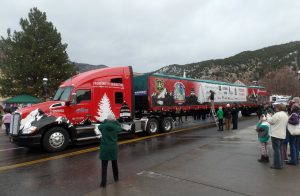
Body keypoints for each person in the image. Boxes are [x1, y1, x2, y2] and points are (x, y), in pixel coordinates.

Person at [98, 114, 122, 188]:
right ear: (113, 120)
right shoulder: (115, 127)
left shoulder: (103, 126)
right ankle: (116, 178)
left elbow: (99, 126)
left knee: (104, 167)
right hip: (113, 148)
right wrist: (115, 121)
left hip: (104, 148)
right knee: (114, 165)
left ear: (107, 120)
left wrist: (105, 121)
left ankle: (103, 183)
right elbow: (120, 127)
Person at [267, 103, 288, 169]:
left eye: (276, 107)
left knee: (276, 150)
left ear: (278, 108)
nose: (275, 108)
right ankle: (279, 163)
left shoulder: (277, 114)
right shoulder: (285, 114)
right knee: (279, 149)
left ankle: (278, 165)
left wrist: (269, 116)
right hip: (282, 134)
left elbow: (271, 121)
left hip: (276, 134)